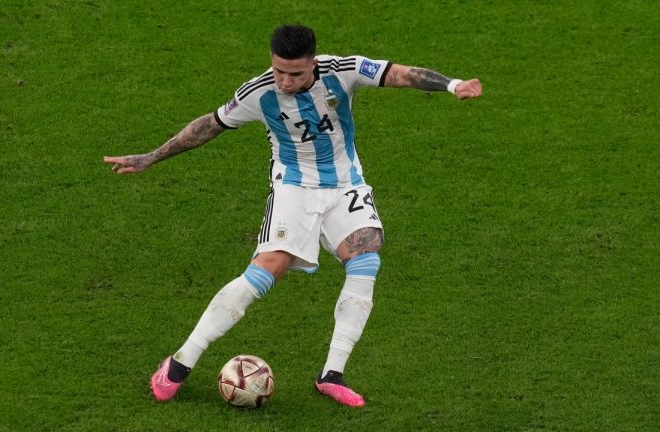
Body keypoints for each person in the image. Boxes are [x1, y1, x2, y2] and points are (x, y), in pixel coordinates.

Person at [104, 24, 482, 407]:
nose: (285, 81)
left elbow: (399, 74)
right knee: (267, 269)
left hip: (346, 184)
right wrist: (151, 157)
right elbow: (209, 126)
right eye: (279, 70)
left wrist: (452, 85)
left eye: (296, 73)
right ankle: (179, 363)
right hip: (294, 188)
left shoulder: (343, 70)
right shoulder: (258, 92)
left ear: (313, 64)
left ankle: (331, 375)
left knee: (366, 257)